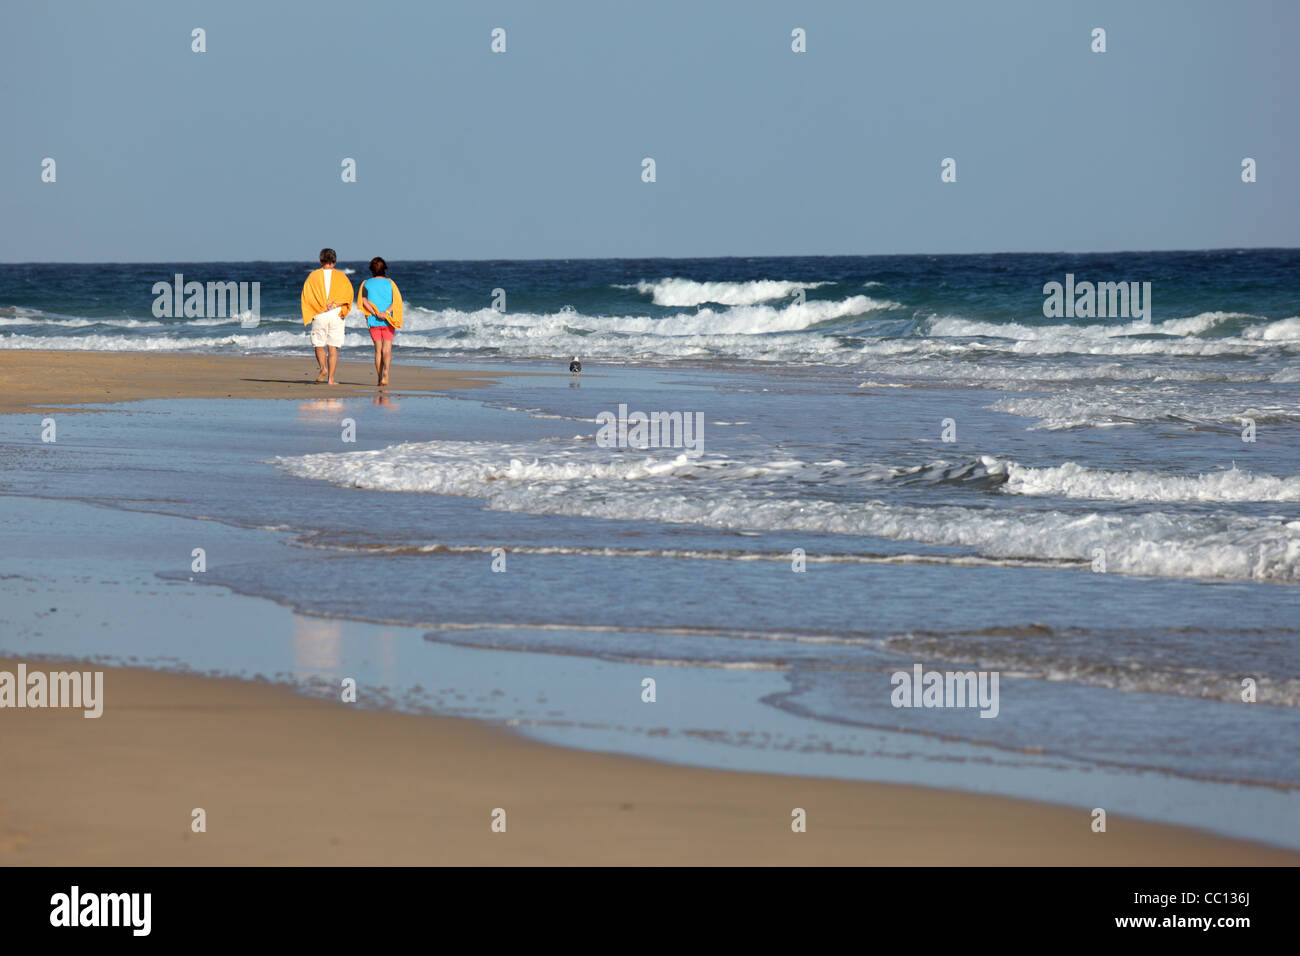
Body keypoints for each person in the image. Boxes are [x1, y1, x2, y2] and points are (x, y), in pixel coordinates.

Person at [301, 248, 354, 385]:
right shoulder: (342, 276)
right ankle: (331, 379)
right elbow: (349, 296)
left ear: (320, 261)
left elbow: (307, 296)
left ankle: (323, 368)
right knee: (333, 347)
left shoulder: (313, 276)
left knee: (319, 344)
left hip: (320, 314)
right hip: (336, 314)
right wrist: (336, 303)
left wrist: (314, 309)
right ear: (334, 262)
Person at [357, 257, 404, 387]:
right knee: (387, 349)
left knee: (378, 350)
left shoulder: (365, 283)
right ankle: (386, 372)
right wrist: (386, 313)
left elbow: (364, 301)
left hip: (373, 320)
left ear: (371, 270)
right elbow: (396, 301)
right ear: (385, 269)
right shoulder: (391, 283)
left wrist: (375, 313)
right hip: (388, 320)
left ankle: (379, 378)